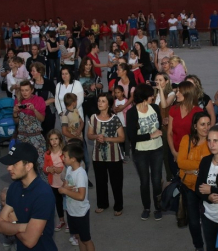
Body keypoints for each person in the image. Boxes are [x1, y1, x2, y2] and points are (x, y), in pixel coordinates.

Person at [60, 143, 99, 251]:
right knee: (78, 236)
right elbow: (67, 183)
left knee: (86, 239)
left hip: (81, 212)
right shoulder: (70, 168)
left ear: (73, 158)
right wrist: (65, 187)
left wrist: (65, 191)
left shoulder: (81, 173)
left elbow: (81, 196)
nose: (62, 158)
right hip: (72, 210)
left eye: (64, 156)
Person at [126, 84, 163, 220]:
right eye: (150, 95)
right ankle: (146, 207)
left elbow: (159, 125)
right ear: (144, 97)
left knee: (156, 181)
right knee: (145, 181)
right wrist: (150, 135)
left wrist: (158, 132)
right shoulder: (132, 113)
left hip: (157, 149)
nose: (153, 97)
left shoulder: (155, 108)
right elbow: (131, 136)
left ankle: (158, 208)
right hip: (140, 151)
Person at [177, 112, 211, 251]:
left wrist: (194, 169)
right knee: (193, 220)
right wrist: (202, 166)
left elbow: (215, 164)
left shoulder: (213, 141)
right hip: (189, 187)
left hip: (208, 188)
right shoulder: (187, 139)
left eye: (208, 124)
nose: (206, 127)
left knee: (210, 220)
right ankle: (198, 247)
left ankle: (215, 247)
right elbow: (181, 163)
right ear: (195, 126)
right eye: (202, 124)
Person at [87, 93, 124, 216]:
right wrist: (96, 136)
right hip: (98, 156)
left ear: (108, 104)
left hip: (114, 156)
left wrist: (106, 139)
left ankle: (118, 206)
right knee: (100, 181)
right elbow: (89, 135)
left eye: (103, 101)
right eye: (99, 101)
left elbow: (122, 138)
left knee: (116, 182)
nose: (100, 103)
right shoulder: (93, 118)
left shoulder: (115, 119)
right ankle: (102, 204)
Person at [13, 80, 47, 182]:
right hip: (23, 138)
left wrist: (34, 110)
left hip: (36, 137)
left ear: (32, 90)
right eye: (22, 90)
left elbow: (42, 119)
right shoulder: (17, 101)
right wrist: (15, 112)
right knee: (23, 166)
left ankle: (44, 188)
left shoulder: (39, 100)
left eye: (27, 90)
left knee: (41, 165)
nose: (24, 93)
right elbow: (16, 121)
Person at [168, 81, 203, 178]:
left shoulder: (198, 112)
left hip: (191, 154)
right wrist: (174, 152)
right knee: (177, 180)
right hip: (174, 151)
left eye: (180, 91)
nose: (177, 94)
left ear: (188, 93)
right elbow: (169, 132)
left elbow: (201, 136)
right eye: (177, 91)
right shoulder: (173, 109)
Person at [44, 130, 66, 231]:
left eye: (56, 139)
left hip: (64, 182)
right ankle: (61, 220)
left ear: (60, 139)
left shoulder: (64, 152)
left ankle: (70, 221)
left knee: (67, 202)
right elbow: (44, 168)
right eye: (51, 139)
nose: (54, 141)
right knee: (58, 202)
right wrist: (49, 169)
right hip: (54, 183)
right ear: (49, 141)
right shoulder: (47, 154)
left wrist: (60, 169)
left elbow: (68, 166)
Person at [30, 62, 56, 136]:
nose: (31, 73)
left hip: (49, 112)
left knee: (49, 134)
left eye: (33, 71)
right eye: (31, 71)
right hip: (35, 113)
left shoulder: (49, 83)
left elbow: (55, 98)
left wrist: (42, 104)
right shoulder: (30, 84)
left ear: (40, 71)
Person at [0, 187, 17, 251]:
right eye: (3, 201)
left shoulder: (17, 208)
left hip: (17, 235)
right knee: (6, 246)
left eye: (8, 200)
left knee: (18, 249)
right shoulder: (0, 208)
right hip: (5, 234)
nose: (5, 203)